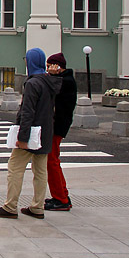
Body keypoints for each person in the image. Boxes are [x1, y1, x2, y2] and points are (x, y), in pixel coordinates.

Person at [0, 48, 61, 219]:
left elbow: (28, 112)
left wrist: (22, 138)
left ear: (30, 62)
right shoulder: (49, 81)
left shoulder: (33, 83)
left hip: (31, 133)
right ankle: (38, 207)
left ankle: (10, 206)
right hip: (45, 133)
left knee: (15, 168)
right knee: (40, 171)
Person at [45, 52, 77, 211]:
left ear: (57, 66)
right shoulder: (65, 79)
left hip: (57, 125)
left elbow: (50, 87)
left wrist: (51, 75)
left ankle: (61, 199)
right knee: (53, 160)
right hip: (58, 124)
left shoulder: (66, 81)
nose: (47, 69)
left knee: (52, 161)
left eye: (49, 66)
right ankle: (61, 194)